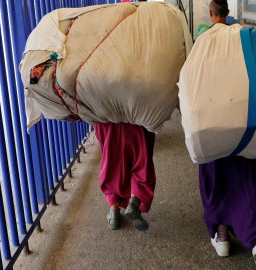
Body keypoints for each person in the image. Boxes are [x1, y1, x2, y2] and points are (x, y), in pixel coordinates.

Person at [195, 0, 256, 269]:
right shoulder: (248, 37)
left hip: (218, 126)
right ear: (229, 13)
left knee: (215, 169)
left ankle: (221, 235)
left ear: (210, 13)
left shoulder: (203, 39)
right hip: (253, 122)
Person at [95, 0, 155, 233]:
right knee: (141, 160)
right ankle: (134, 201)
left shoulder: (101, 45)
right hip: (137, 115)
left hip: (108, 118)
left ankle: (113, 211)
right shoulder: (144, 45)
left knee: (112, 163)